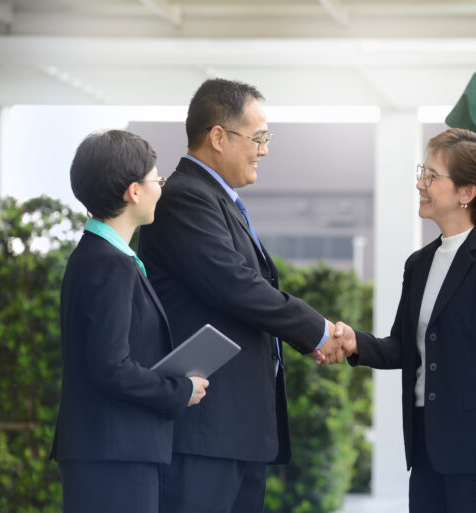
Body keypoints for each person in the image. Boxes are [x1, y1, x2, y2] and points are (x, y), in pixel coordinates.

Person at [137, 78, 347, 513]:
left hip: (235, 431)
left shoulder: (217, 199)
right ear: (218, 136)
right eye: (258, 138)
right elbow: (238, 286)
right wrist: (319, 331)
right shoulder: (184, 198)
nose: (264, 150)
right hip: (205, 431)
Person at [332, 128, 476, 513]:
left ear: (466, 193)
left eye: (432, 176)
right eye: (424, 172)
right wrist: (357, 342)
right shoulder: (418, 264)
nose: (421, 183)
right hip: (424, 449)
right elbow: (405, 346)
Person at [50, 130, 209, 513]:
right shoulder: (109, 263)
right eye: (157, 180)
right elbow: (111, 367)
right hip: (114, 454)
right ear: (133, 192)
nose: (161, 189)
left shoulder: (98, 256)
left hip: (111, 450)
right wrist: (179, 390)